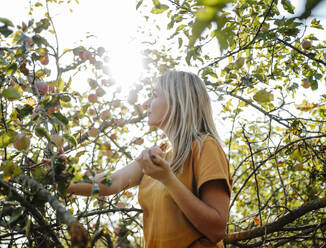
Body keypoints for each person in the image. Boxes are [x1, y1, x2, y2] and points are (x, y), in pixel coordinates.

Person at [67, 70, 232, 248]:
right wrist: (59, 183)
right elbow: (113, 182)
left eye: (154, 95)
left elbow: (216, 230)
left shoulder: (205, 147)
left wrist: (168, 179)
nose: (146, 104)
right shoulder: (159, 153)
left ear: (176, 100)